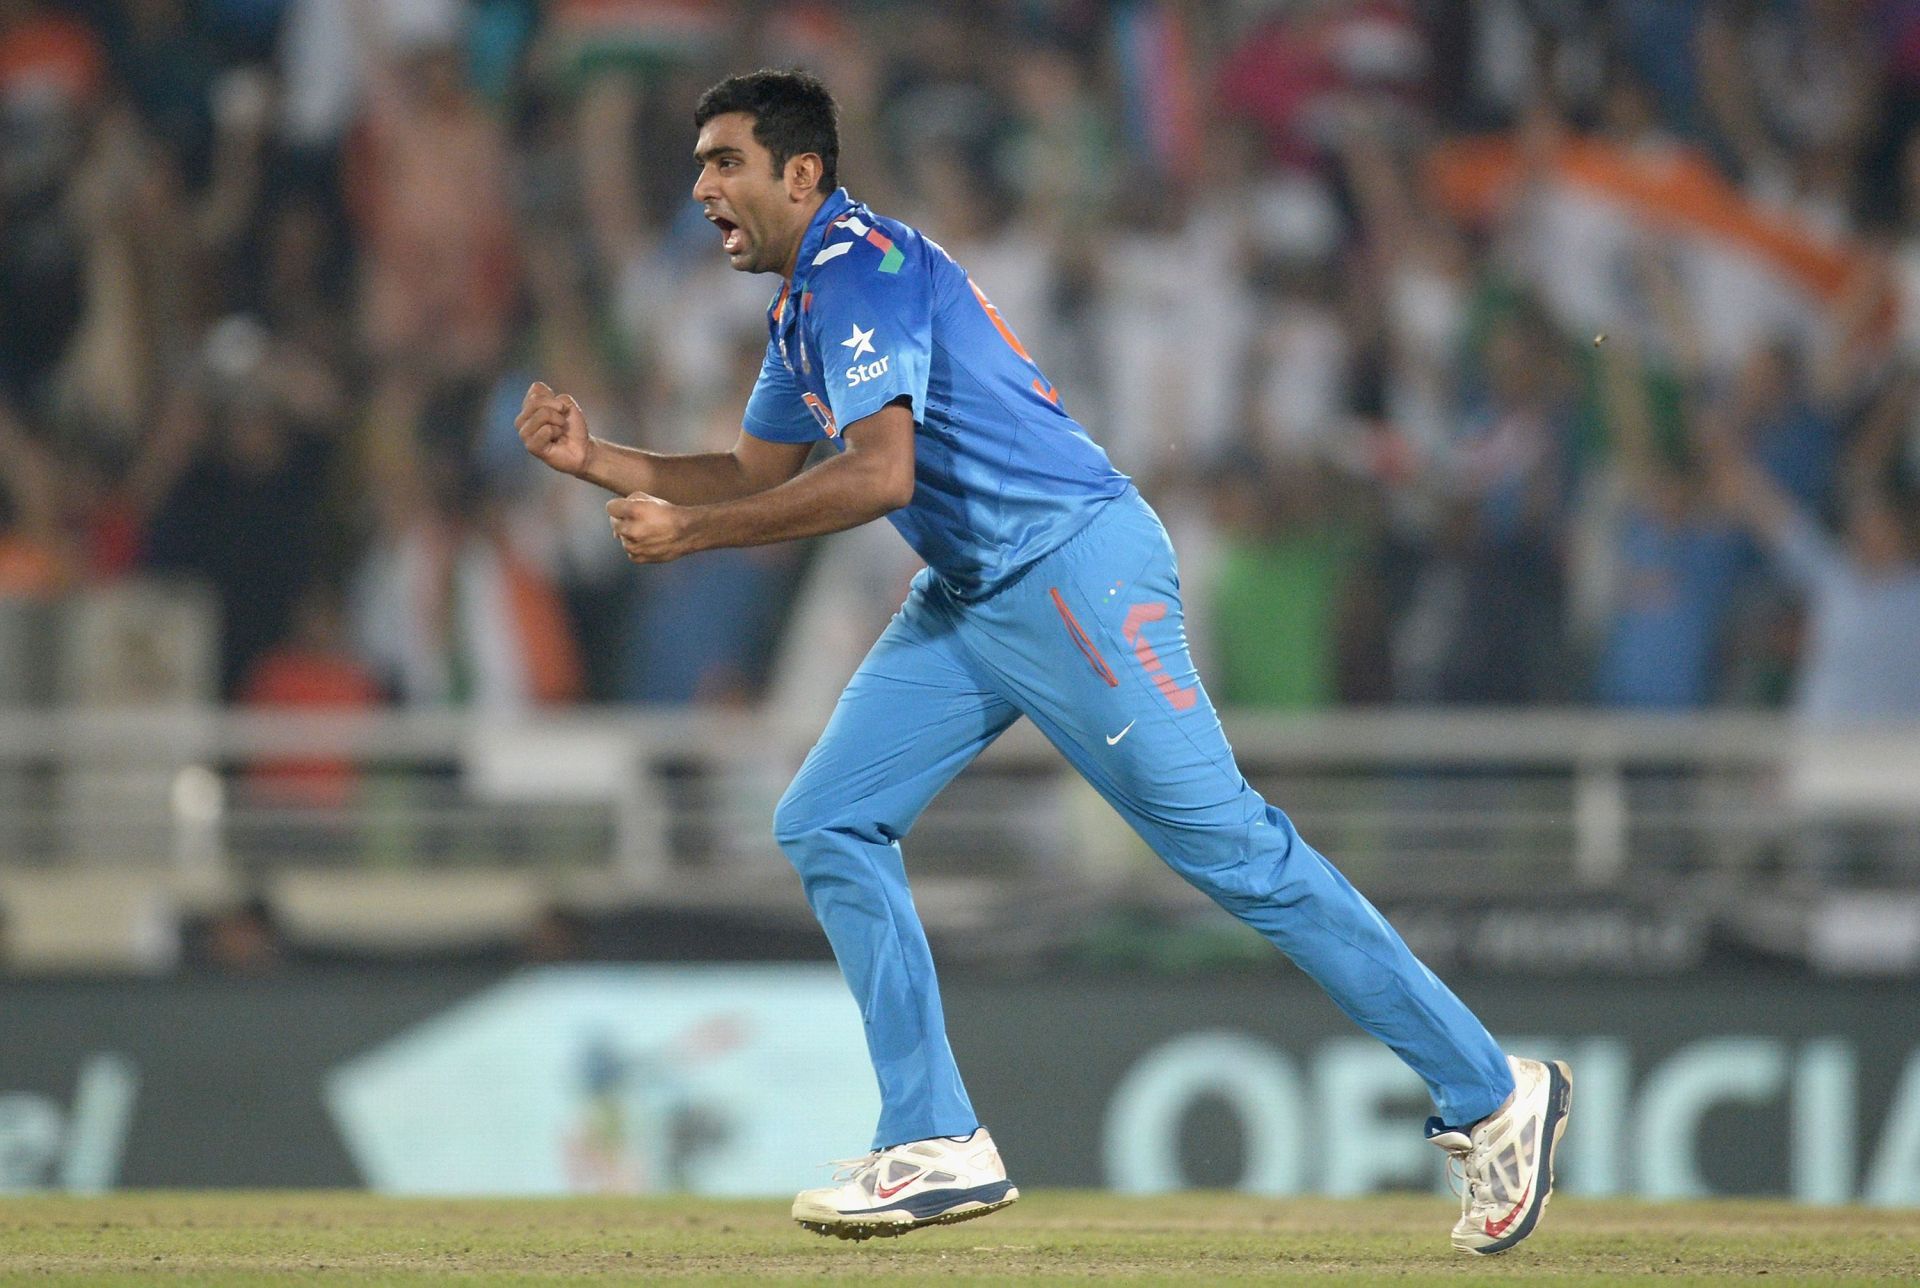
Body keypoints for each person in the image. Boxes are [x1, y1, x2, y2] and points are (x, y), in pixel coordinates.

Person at [516, 68, 1570, 1255]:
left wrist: (689, 535)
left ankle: (1491, 1094)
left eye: (724, 162)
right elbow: (760, 472)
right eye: (700, 162)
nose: (702, 184)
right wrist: (604, 459)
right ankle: (935, 1136)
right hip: (977, 591)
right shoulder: (810, 299)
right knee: (827, 818)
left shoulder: (861, 270)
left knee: (1234, 852)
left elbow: (877, 476)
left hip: (1072, 572)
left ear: (800, 174)